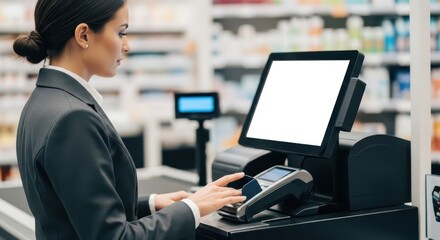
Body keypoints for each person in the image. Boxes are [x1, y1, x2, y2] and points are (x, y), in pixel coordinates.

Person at [13, 0, 246, 239]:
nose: (127, 46)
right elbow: (113, 236)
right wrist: (192, 209)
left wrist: (153, 204)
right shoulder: (74, 117)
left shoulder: (43, 99)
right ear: (83, 35)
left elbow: (76, 210)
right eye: (121, 32)